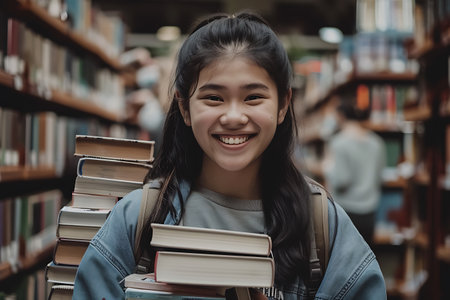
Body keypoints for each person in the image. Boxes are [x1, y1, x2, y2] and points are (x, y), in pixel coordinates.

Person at [73, 12, 386, 300]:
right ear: (184, 107)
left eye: (253, 97)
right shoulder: (136, 219)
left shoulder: (323, 226)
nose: (234, 116)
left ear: (282, 105)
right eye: (213, 97)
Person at [322, 101, 386, 246]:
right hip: (370, 211)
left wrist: (327, 168)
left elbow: (341, 180)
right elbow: (379, 176)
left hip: (346, 211)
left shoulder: (339, 143)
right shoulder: (377, 142)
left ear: (340, 116)